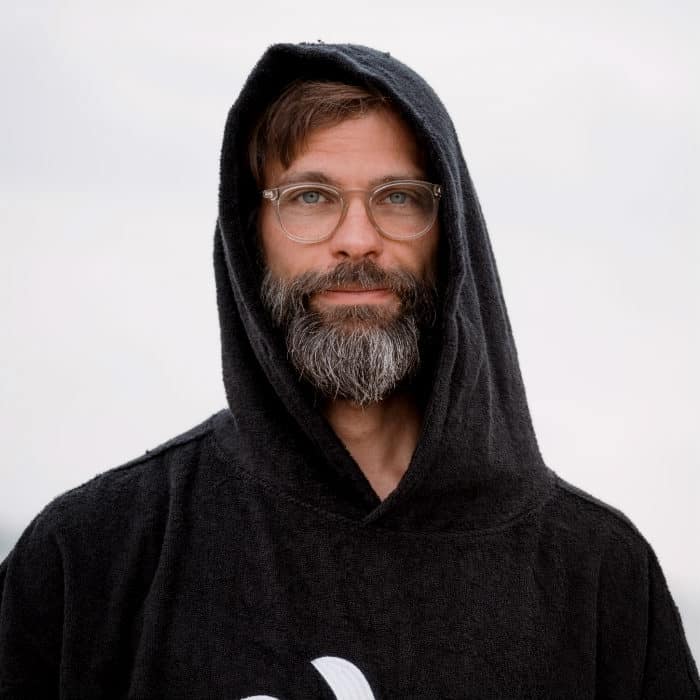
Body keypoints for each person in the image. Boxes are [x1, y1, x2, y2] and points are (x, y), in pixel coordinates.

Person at [0, 42, 698, 699]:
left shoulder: (601, 577)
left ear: (450, 236)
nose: (357, 239)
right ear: (252, 240)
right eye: (310, 197)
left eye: (397, 197)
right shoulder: (91, 559)